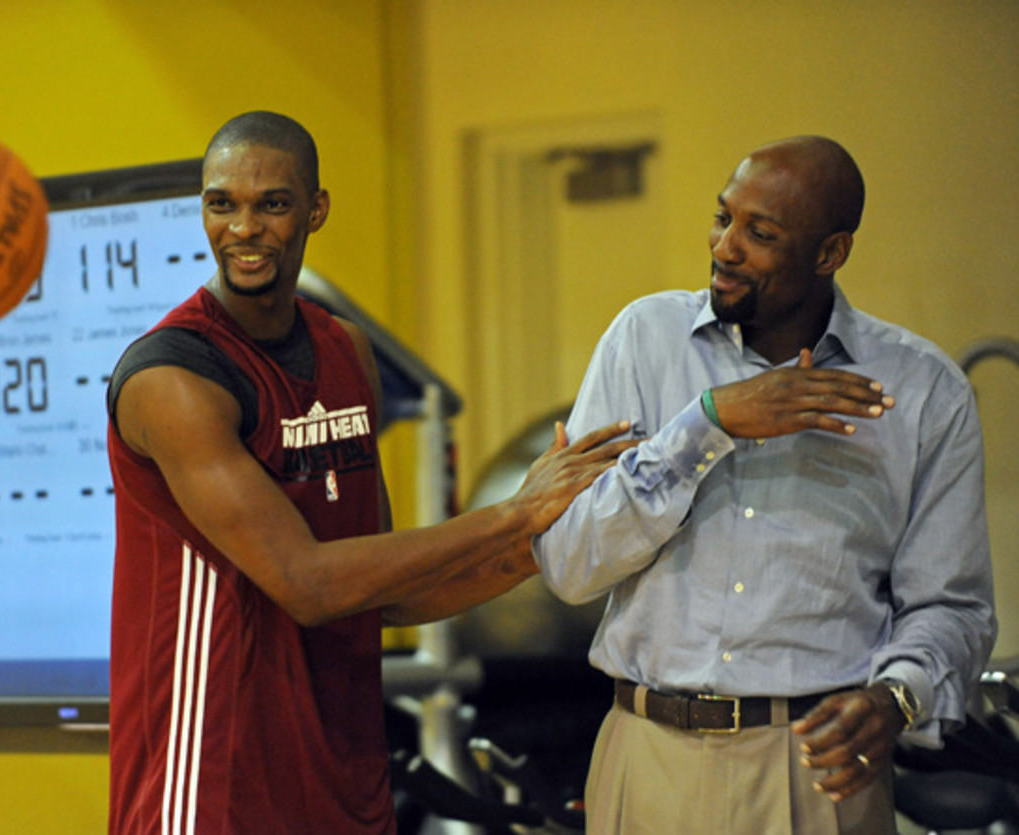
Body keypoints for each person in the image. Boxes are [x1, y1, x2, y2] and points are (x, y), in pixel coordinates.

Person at [104, 111, 629, 835]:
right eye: (222, 204)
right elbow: (309, 584)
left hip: (341, 771)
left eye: (272, 204)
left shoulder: (344, 350)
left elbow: (384, 592)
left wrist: (551, 540)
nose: (243, 228)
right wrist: (515, 511)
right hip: (211, 777)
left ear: (315, 210)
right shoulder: (172, 379)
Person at [533, 136, 996, 834]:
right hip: (647, 754)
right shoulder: (643, 340)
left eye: (761, 233)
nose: (725, 247)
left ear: (830, 253)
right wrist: (707, 425)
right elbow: (570, 564)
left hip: (814, 768)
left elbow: (953, 605)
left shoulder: (924, 392)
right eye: (723, 218)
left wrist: (896, 697)